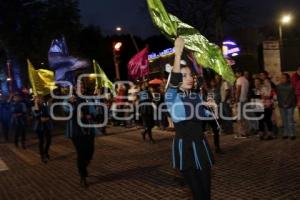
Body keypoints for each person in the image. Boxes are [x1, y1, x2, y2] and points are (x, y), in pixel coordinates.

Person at [165, 37, 214, 200]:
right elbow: (174, 81)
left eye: (191, 75)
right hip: (185, 148)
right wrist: (177, 53)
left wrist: (212, 109)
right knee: (198, 193)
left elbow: (207, 115)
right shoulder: (171, 97)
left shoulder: (196, 96)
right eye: (185, 75)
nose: (190, 78)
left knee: (206, 194)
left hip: (201, 145)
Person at [64, 82, 98, 188]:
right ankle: (82, 176)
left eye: (83, 86)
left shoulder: (88, 98)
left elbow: (94, 112)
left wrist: (91, 115)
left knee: (90, 150)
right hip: (76, 130)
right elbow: (66, 112)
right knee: (81, 152)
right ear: (74, 88)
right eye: (79, 86)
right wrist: (70, 103)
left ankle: (83, 166)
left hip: (88, 128)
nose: (82, 88)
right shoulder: (69, 98)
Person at [32, 96, 52, 163]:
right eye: (38, 99)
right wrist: (35, 103)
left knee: (49, 140)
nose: (40, 100)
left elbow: (49, 115)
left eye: (41, 99)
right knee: (41, 141)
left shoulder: (45, 107)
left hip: (47, 125)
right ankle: (42, 156)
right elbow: (36, 114)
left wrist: (46, 118)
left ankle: (46, 152)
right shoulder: (34, 107)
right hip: (39, 126)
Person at [277, 73, 297, 140]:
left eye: (283, 77)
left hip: (290, 105)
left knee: (290, 119)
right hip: (281, 105)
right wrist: (282, 104)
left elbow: (293, 97)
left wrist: (288, 103)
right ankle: (285, 133)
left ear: (288, 79)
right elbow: (278, 97)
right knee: (284, 120)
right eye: (281, 77)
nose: (282, 79)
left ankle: (292, 134)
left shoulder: (291, 86)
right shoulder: (278, 86)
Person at [234, 69, 250, 138]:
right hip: (245, 100)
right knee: (244, 116)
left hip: (240, 100)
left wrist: (236, 100)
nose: (235, 75)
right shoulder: (246, 80)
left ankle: (242, 133)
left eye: (236, 73)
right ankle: (246, 132)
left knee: (239, 118)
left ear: (239, 73)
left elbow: (238, 90)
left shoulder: (239, 79)